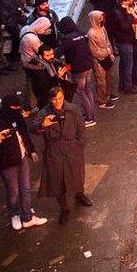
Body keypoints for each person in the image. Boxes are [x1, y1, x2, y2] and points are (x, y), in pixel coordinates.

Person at [0, 93, 48, 230]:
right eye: (15, 108)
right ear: (7, 107)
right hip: (7, 164)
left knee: (26, 188)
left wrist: (31, 150)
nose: (18, 111)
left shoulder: (18, 118)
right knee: (13, 191)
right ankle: (14, 214)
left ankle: (27, 217)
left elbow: (24, 134)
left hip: (22, 158)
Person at [32, 86, 92, 225]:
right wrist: (43, 124)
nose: (57, 101)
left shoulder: (73, 109)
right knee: (58, 180)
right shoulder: (44, 113)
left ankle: (80, 194)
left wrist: (80, 145)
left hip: (72, 148)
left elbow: (81, 128)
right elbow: (33, 127)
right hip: (54, 150)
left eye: (60, 98)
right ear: (50, 100)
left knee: (77, 174)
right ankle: (64, 208)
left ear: (63, 97)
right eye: (54, 99)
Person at [58, 17, 96, 127]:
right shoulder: (82, 33)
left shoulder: (67, 38)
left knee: (81, 92)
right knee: (88, 91)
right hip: (88, 65)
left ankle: (90, 118)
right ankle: (90, 114)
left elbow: (59, 51)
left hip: (78, 69)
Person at [87, 10, 118, 109]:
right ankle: (102, 100)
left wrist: (110, 53)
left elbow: (107, 41)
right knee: (101, 81)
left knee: (109, 77)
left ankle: (107, 94)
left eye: (102, 18)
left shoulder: (102, 28)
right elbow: (94, 51)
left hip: (107, 57)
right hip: (98, 60)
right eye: (100, 18)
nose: (102, 20)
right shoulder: (91, 34)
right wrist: (107, 52)